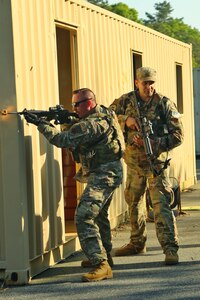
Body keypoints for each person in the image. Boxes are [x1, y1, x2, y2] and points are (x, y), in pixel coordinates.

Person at [24, 88, 125, 282]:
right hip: (108, 171)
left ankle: (100, 264)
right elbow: (80, 126)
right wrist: (67, 119)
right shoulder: (103, 113)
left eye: (77, 105)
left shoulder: (92, 124)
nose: (74, 108)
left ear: (89, 102)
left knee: (83, 215)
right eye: (73, 105)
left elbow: (62, 140)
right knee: (99, 215)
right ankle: (105, 256)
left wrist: (42, 123)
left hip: (105, 174)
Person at [109, 67, 184, 265]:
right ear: (137, 83)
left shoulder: (164, 103)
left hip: (157, 164)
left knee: (161, 206)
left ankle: (170, 248)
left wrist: (155, 142)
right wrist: (127, 120)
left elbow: (178, 136)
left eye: (152, 83)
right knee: (134, 203)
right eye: (145, 83)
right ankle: (137, 243)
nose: (149, 87)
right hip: (134, 164)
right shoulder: (125, 101)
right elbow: (107, 117)